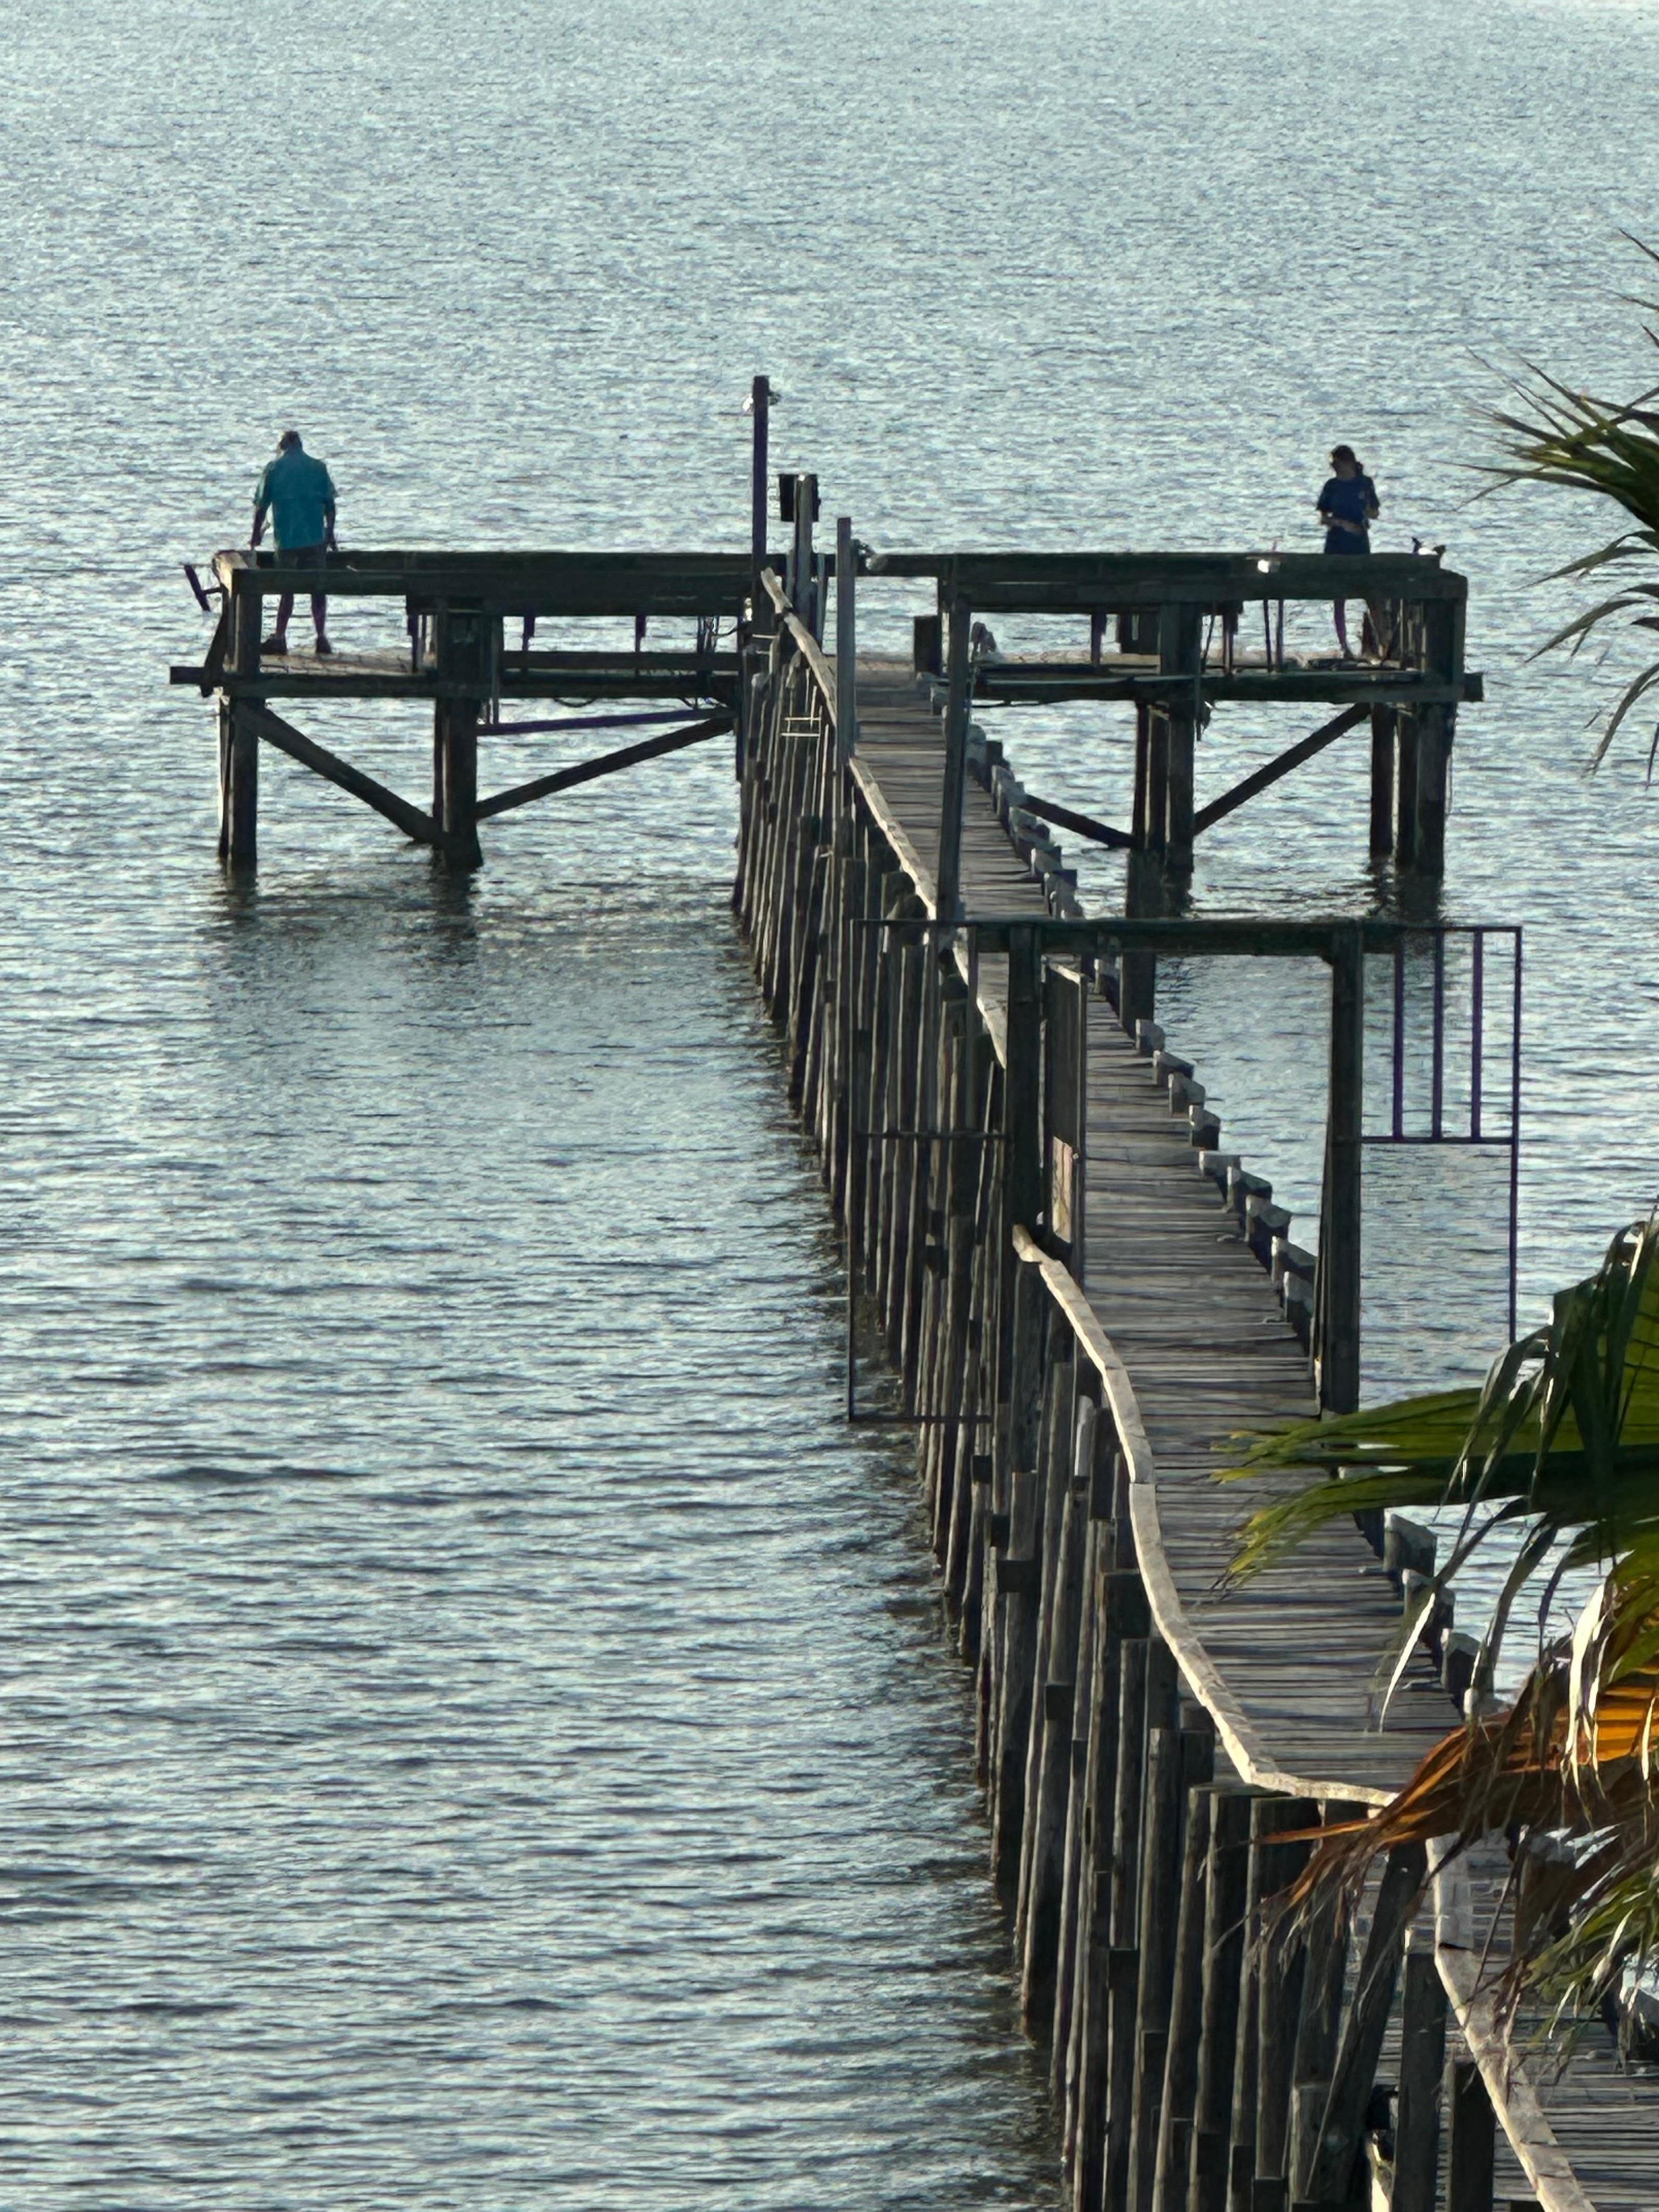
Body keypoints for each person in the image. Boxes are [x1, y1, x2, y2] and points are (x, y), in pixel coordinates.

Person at [251, 429, 337, 654]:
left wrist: (255, 536)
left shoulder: (273, 469)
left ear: (282, 446)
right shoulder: (318, 468)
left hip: (287, 539)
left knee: (286, 590)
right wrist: (331, 534)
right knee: (318, 589)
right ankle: (321, 637)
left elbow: (261, 507)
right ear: (300, 445)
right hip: (315, 538)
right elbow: (330, 505)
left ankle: (280, 637)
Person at [1316, 444, 1379, 658]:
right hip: (1337, 543)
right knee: (1339, 596)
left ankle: (1381, 641)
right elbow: (1324, 517)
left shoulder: (1365, 483)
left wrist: (1367, 513)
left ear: (1348, 463)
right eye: (1332, 464)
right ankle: (1345, 646)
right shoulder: (1331, 486)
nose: (1334, 467)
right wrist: (1342, 523)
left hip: (1359, 543)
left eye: (1337, 463)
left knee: (1369, 592)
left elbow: (1374, 512)